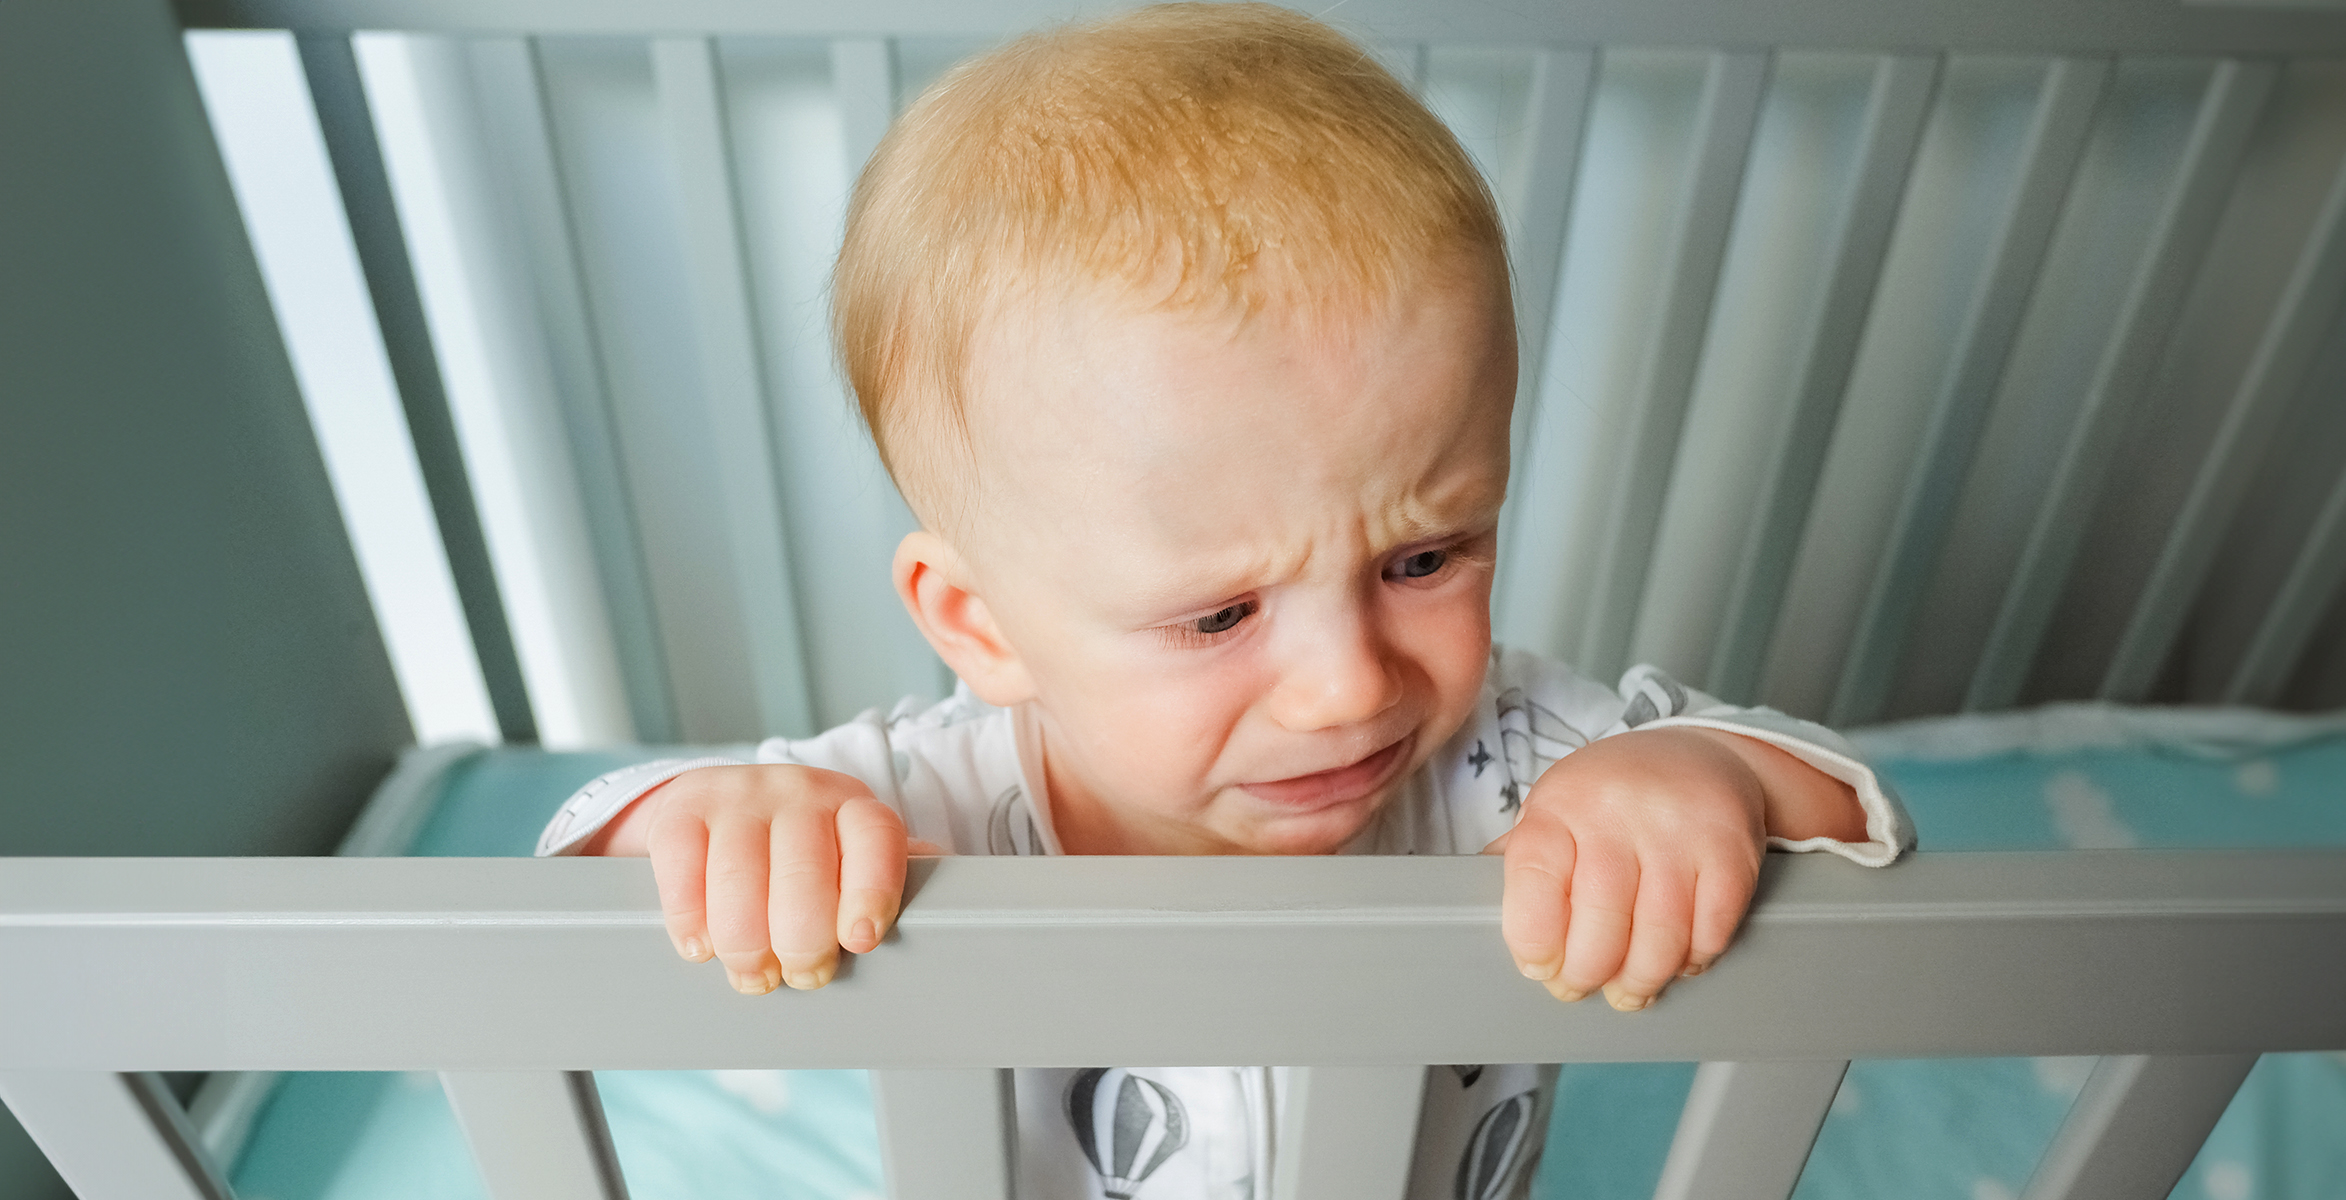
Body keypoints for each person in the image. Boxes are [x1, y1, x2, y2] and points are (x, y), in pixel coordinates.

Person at [535, 6, 1911, 1197]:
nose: (1350, 688)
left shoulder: (1509, 760)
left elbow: (1851, 814)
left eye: (1423, 560)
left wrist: (1702, 773)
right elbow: (583, 873)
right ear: (980, 625)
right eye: (1217, 617)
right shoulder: (920, 810)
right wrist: (713, 822)